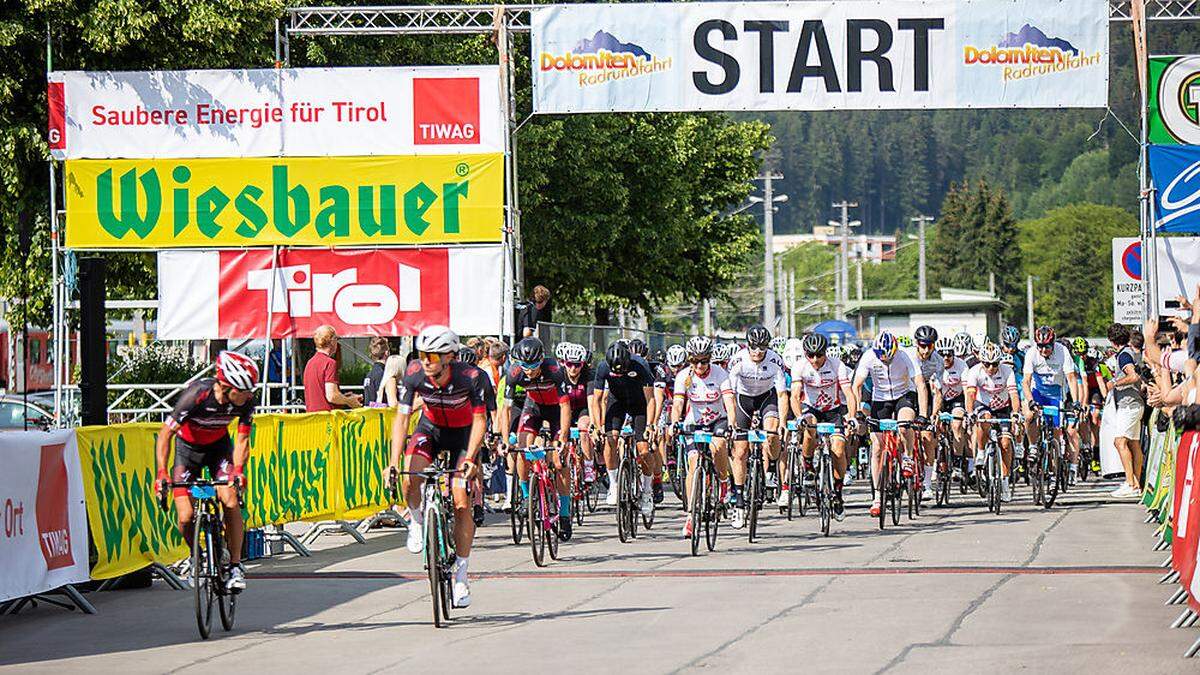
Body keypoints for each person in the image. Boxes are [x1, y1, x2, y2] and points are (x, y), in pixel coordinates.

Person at [386, 325, 487, 608]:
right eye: (422, 354)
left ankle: (461, 574)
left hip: (463, 435)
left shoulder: (472, 377)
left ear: (450, 357)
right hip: (430, 429)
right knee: (408, 478)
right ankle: (417, 521)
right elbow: (402, 419)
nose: (426, 361)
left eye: (432, 355)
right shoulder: (415, 372)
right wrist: (393, 462)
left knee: (460, 500)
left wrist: (470, 459)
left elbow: (480, 421)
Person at [154, 351, 258, 591]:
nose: (249, 396)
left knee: (230, 500)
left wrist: (239, 470)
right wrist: (162, 472)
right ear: (227, 385)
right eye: (243, 391)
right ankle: (196, 556)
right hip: (187, 451)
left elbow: (242, 441)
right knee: (185, 516)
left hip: (218, 450)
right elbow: (165, 434)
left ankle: (234, 565)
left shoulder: (246, 402)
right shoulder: (196, 396)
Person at [852, 331, 928, 518]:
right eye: (882, 357)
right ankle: (877, 497)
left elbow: (920, 384)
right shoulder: (869, 356)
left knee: (904, 425)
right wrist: (858, 413)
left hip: (904, 395)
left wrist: (924, 415)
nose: (885, 360)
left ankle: (908, 456)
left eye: (888, 357)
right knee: (877, 447)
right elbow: (856, 386)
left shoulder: (906, 355)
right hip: (881, 399)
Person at [504, 337, 574, 538]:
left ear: (541, 360)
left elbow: (565, 406)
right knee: (522, 448)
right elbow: (505, 409)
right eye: (524, 365)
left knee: (560, 462)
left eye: (533, 365)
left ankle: (564, 514)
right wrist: (504, 438)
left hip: (555, 411)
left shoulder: (554, 370)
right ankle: (527, 497)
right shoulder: (515, 373)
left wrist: (564, 437)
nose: (528, 369)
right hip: (533, 408)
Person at [668, 336, 737, 538]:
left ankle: (724, 482)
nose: (699, 365)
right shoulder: (684, 376)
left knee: (718, 446)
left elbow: (729, 402)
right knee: (693, 462)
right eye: (695, 361)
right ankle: (690, 515)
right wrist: (674, 423)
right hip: (694, 421)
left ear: (710, 359)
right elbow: (678, 404)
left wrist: (732, 423)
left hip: (718, 419)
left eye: (704, 361)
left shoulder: (720, 374)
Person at [726, 324, 789, 529]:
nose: (758, 352)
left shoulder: (775, 360)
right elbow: (731, 395)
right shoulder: (737, 360)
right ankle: (740, 501)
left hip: (766, 398)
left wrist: (783, 423)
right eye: (754, 347)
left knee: (772, 435)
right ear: (748, 346)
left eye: (762, 348)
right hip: (743, 399)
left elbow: (781, 394)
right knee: (740, 452)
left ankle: (770, 467)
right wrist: (732, 423)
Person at [789, 332, 856, 520]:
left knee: (839, 449)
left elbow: (849, 394)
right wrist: (798, 416)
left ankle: (838, 492)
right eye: (810, 355)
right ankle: (809, 466)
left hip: (833, 410)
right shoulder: (800, 367)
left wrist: (851, 417)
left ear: (825, 352)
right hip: (811, 408)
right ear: (805, 354)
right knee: (810, 426)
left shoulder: (837, 365)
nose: (815, 359)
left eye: (819, 354)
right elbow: (794, 396)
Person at [594, 341, 657, 519]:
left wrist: (651, 425)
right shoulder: (603, 367)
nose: (619, 373)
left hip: (640, 405)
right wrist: (597, 425)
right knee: (610, 439)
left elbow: (651, 399)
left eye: (623, 370)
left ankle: (646, 491)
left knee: (643, 451)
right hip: (617, 403)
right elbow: (597, 400)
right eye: (616, 371)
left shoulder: (640, 365)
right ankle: (614, 483)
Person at [963, 342, 1021, 502]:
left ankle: (1005, 481)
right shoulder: (974, 371)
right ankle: (981, 451)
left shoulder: (1007, 371)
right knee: (985, 418)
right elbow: (970, 395)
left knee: (1005, 444)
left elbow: (1014, 395)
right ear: (981, 362)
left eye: (994, 364)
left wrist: (1016, 413)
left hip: (1003, 407)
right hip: (983, 404)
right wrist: (969, 413)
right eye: (987, 364)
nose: (990, 368)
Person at [1022, 325, 1081, 481]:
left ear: (1053, 343)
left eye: (1046, 347)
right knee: (1029, 415)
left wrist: (1076, 402)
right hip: (1037, 393)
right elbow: (1026, 382)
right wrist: (1030, 401)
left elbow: (1071, 378)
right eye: (1040, 346)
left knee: (1055, 434)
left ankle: (1054, 473)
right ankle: (1033, 445)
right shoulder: (1031, 353)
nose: (1043, 350)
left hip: (1056, 394)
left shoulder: (1062, 351)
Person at [1107, 323, 1144, 498]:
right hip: (1135, 403)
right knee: (1133, 443)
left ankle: (1130, 483)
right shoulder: (1130, 352)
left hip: (1129, 404)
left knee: (1120, 442)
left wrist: (1114, 383)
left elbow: (1133, 376)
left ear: (1112, 341)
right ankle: (1136, 482)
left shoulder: (1123, 356)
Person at [908, 325, 942, 500]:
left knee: (928, 436)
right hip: (907, 393)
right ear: (916, 343)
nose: (926, 349)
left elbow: (937, 391)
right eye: (923, 345)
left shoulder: (938, 361)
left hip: (927, 394)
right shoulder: (907, 356)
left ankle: (927, 483)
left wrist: (934, 414)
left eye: (930, 345)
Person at [304, 325, 362, 412]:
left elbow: (320, 393)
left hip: (312, 418)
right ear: (331, 341)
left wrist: (343, 396)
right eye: (336, 339)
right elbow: (332, 396)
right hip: (327, 419)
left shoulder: (310, 363)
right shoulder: (330, 363)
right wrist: (349, 401)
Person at [362, 337, 390, 405]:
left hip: (369, 412)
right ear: (387, 353)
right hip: (380, 413)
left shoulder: (370, 374)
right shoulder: (383, 374)